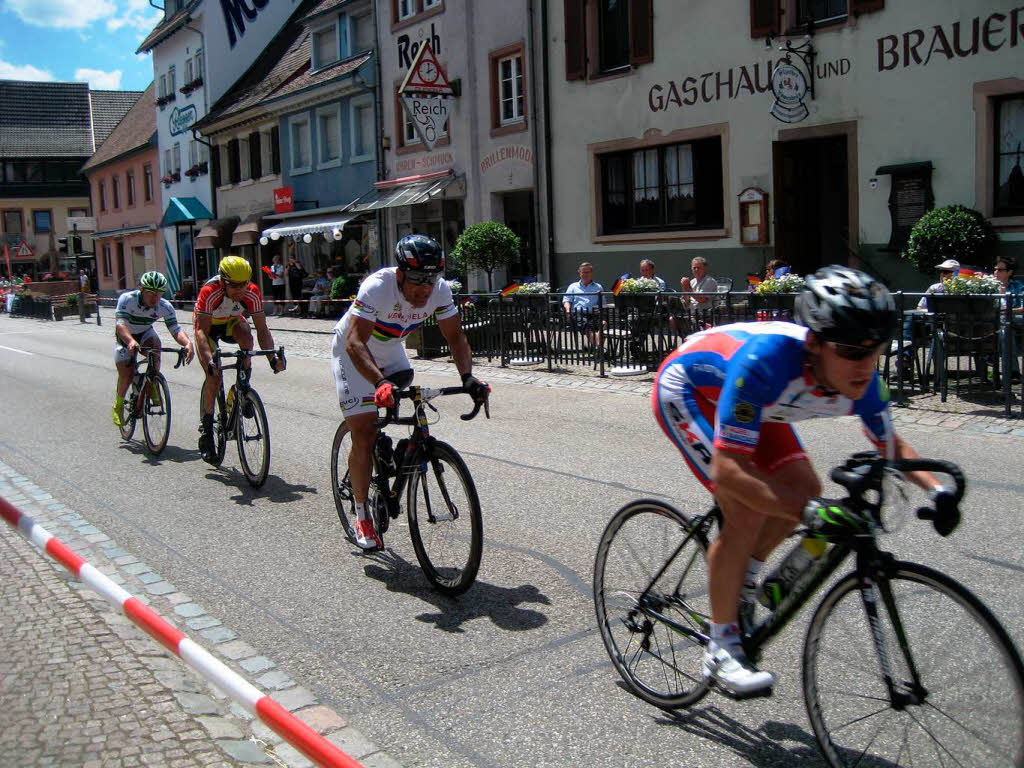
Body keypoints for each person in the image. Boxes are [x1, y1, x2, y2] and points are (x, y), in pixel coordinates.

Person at [652, 265, 947, 695]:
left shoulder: (861, 376)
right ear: (815, 343)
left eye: (876, 350)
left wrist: (938, 489)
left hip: (758, 404)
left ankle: (747, 583)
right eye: (850, 351)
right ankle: (721, 648)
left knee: (806, 488)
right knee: (747, 514)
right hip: (690, 390)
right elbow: (728, 469)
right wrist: (808, 513)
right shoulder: (767, 363)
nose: (865, 365)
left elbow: (892, 445)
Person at [332, 234, 489, 550]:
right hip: (354, 352)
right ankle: (362, 515)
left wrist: (468, 377)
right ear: (400, 272)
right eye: (417, 279)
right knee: (362, 432)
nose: (424, 289)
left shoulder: (439, 291)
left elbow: (456, 337)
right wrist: (379, 384)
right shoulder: (378, 287)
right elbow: (354, 342)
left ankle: (396, 452)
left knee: (405, 399)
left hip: (390, 350)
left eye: (431, 280)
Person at [193, 256, 285, 463]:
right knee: (214, 377)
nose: (240, 290)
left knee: (246, 334)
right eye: (234, 285)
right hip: (208, 327)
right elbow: (201, 333)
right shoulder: (209, 292)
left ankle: (243, 388)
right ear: (223, 281)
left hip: (231, 322)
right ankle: (207, 429)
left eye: (243, 284)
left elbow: (262, 330)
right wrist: (209, 362)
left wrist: (272, 357)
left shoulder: (251, 292)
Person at [111, 271, 194, 426]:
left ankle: (151, 383)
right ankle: (118, 405)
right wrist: (130, 341)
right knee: (127, 375)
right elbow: (120, 324)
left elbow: (175, 329)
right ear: (142, 290)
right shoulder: (127, 299)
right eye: (151, 293)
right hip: (125, 336)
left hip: (144, 333)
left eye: (159, 293)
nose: (155, 298)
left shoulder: (165, 306)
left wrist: (187, 343)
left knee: (156, 347)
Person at [563, 262, 605, 348]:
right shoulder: (573, 286)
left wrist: (600, 309)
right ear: (579, 273)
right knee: (587, 325)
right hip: (579, 313)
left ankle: (597, 347)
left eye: (587, 272)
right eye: (583, 272)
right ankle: (599, 348)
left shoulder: (598, 287)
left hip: (594, 313)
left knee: (603, 323)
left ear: (591, 273)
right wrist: (567, 311)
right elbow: (566, 300)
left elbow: (602, 303)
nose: (585, 274)